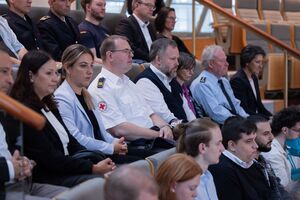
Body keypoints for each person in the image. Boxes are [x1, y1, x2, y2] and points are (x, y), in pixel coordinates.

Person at [6, 50, 115, 187]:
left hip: (68, 168)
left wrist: (94, 162)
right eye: (48, 73)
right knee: (103, 183)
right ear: (31, 76)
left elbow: (72, 143)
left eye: (56, 73)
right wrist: (92, 168)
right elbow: (50, 158)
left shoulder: (50, 105)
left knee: (118, 175)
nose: (55, 78)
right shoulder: (25, 112)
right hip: (48, 177)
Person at [55, 44, 142, 164]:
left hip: (102, 151)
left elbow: (101, 132)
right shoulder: (62, 97)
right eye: (83, 66)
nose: (90, 71)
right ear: (68, 68)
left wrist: (115, 142)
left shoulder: (87, 95)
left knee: (152, 158)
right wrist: (111, 148)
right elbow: (75, 137)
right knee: (143, 165)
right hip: (90, 157)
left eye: (91, 66)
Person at [0, 50, 68, 199]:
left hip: (22, 183)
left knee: (86, 192)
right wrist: (13, 168)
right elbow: (49, 158)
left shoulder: (7, 112)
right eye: (4, 72)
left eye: (10, 73)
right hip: (8, 190)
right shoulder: (20, 109)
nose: (10, 80)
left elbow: (11, 151)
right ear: (31, 76)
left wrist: (23, 162)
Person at [88, 35, 173, 143]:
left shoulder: (129, 83)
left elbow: (151, 114)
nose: (132, 55)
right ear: (110, 56)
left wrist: (165, 127)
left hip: (153, 138)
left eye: (131, 51)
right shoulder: (100, 88)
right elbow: (119, 129)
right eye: (126, 51)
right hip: (134, 145)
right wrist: (158, 135)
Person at [209, 116, 272, 200]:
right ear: (232, 145)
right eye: (249, 141)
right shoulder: (222, 170)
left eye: (254, 139)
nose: (256, 146)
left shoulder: (253, 164)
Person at [190, 45, 248, 125]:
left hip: (235, 122)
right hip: (221, 127)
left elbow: (235, 104)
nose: (227, 64)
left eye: (226, 60)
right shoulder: (201, 84)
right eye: (222, 61)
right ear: (211, 64)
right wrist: (240, 122)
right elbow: (216, 113)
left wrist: (246, 118)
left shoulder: (223, 81)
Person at [135, 38, 187, 124]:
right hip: (171, 133)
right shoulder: (145, 82)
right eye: (173, 59)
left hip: (185, 130)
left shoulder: (172, 78)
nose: (177, 63)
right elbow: (166, 118)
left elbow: (186, 110)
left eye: (177, 59)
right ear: (158, 60)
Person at [176, 118, 224, 200]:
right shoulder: (186, 185)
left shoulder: (207, 175)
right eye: (218, 143)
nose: (222, 149)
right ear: (203, 148)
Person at [247, 115, 292, 200]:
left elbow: (279, 189)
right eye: (265, 134)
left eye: (271, 132)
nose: (272, 137)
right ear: (252, 136)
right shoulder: (248, 165)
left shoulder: (263, 160)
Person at [261, 106, 300, 194]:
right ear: (285, 130)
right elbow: (283, 190)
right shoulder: (273, 154)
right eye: (299, 130)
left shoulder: (286, 146)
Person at [230, 45, 272, 118]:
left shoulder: (254, 77)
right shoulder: (237, 81)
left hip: (254, 118)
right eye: (257, 62)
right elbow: (244, 110)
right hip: (246, 121)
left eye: (262, 62)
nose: (261, 66)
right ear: (247, 62)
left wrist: (272, 117)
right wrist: (264, 119)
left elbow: (259, 105)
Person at [170, 52, 198, 121]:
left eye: (192, 69)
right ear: (177, 68)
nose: (192, 73)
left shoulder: (186, 88)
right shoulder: (172, 89)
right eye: (187, 69)